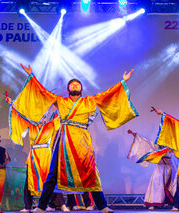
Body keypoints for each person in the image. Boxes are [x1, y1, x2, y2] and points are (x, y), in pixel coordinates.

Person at [11, 63, 138, 213]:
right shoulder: (61, 101)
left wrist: (123, 82)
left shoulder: (89, 101)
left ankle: (103, 206)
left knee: (91, 172)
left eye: (77, 84)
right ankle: (41, 206)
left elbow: (107, 94)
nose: (74, 85)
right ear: (68, 89)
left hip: (82, 141)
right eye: (72, 84)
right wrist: (31, 76)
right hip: (64, 140)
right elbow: (42, 92)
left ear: (81, 89)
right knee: (52, 174)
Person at [128, 130, 177, 210]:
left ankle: (172, 202)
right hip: (160, 166)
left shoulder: (174, 144)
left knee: (172, 184)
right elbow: (147, 143)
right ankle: (154, 203)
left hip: (170, 166)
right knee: (157, 184)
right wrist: (135, 135)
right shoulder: (157, 144)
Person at [0, 134, 11, 212]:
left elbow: (9, 159)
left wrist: (3, 164)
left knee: (0, 188)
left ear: (0, 141)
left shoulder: (3, 150)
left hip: (1, 171)